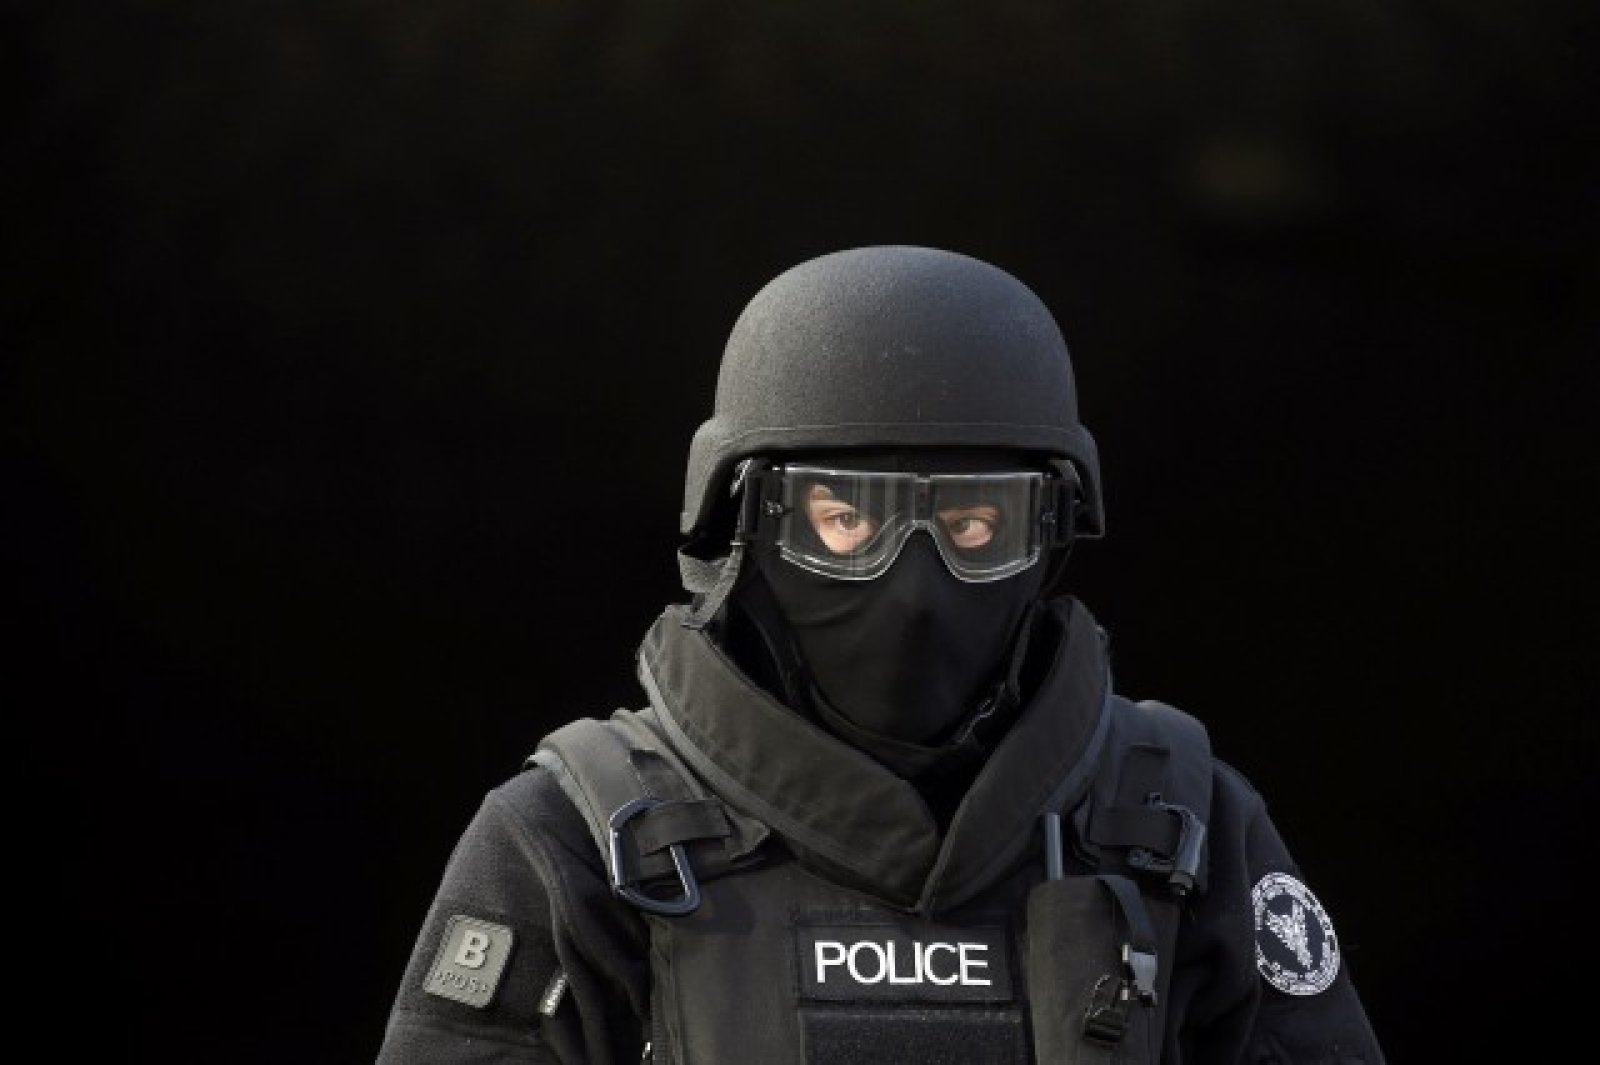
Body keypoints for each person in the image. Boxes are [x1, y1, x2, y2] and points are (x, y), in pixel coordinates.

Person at [376, 245, 1386, 1064]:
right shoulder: (575, 839)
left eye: (976, 524)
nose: (916, 587)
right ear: (747, 523)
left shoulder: (1181, 828)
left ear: (1052, 534)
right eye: (845, 519)